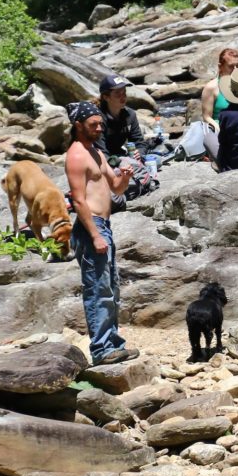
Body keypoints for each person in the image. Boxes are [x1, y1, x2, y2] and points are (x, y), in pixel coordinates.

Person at [65, 101, 140, 366]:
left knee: (111, 288)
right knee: (98, 288)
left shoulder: (95, 152)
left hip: (103, 226)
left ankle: (113, 344)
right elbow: (78, 201)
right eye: (93, 124)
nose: (99, 128)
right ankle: (101, 348)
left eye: (100, 124)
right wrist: (95, 234)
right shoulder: (76, 155)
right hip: (91, 228)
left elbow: (116, 188)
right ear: (78, 126)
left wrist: (127, 175)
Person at [200, 48, 238, 160]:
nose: (236, 69)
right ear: (220, 66)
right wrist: (218, 127)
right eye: (231, 66)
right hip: (221, 130)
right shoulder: (211, 87)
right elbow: (206, 116)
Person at [97, 74, 146, 161]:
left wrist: (139, 154)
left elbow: (138, 142)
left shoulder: (130, 115)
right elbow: (100, 151)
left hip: (119, 154)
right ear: (106, 97)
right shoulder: (97, 118)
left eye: (124, 92)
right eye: (117, 93)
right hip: (101, 159)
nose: (123, 96)